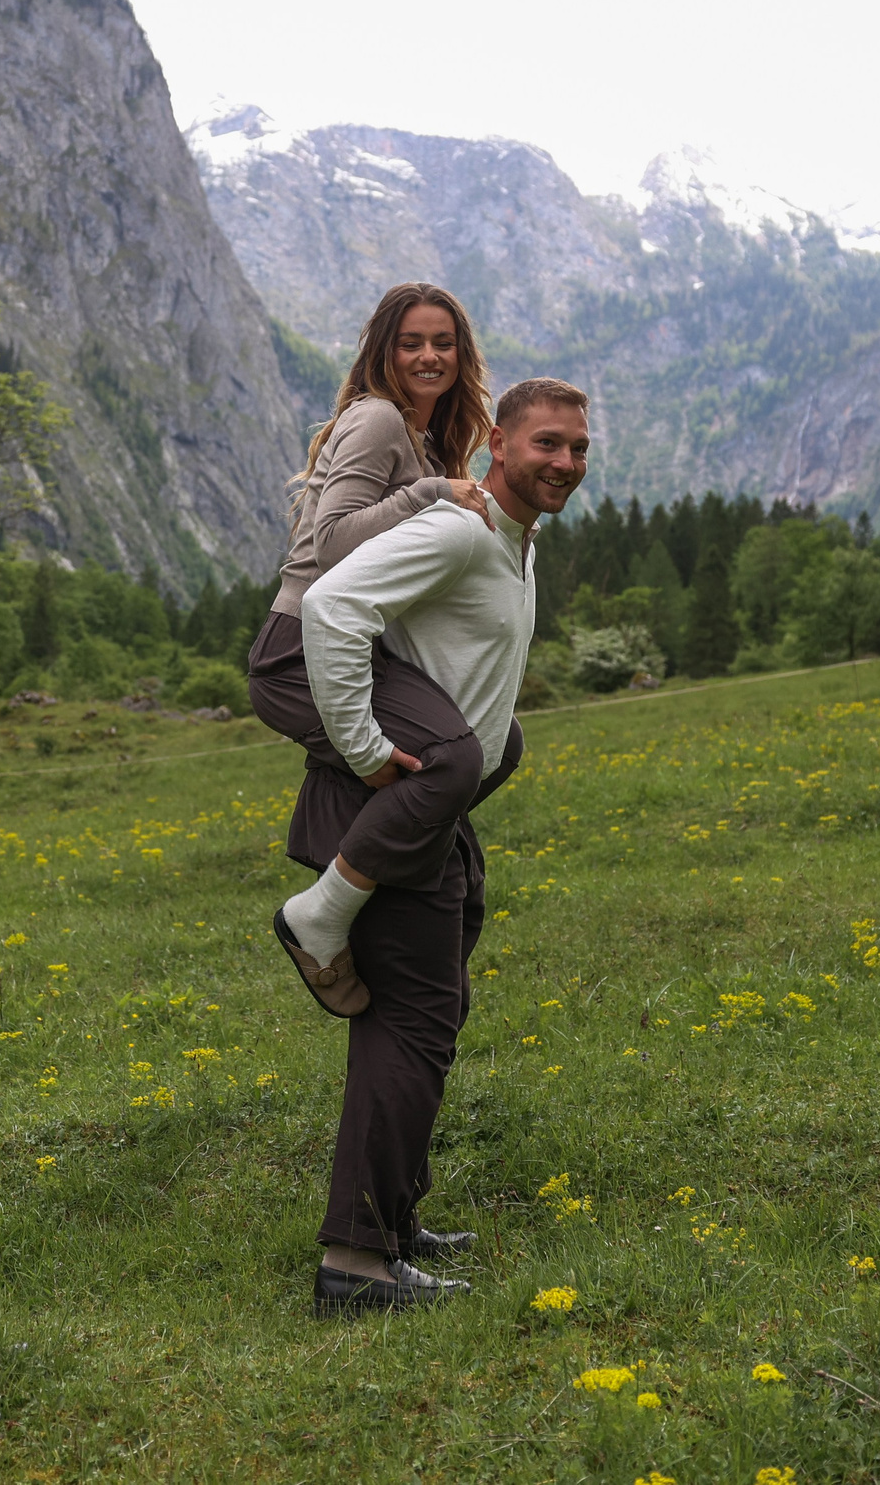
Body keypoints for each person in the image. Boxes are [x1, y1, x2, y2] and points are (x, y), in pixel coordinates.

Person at [293, 378, 593, 1315]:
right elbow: (331, 607)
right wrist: (367, 750)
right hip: (393, 810)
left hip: (435, 819)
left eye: (580, 449)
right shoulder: (462, 530)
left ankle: (391, 1223)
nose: (566, 464)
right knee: (411, 1026)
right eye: (547, 443)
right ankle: (356, 1265)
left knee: (431, 1014)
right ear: (497, 442)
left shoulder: (511, 545)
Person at [249, 282, 497, 1017]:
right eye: (411, 342)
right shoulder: (380, 419)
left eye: (442, 343)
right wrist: (434, 496)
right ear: (383, 351)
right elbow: (332, 541)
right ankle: (318, 916)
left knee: (495, 741)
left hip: (356, 649)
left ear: (462, 354)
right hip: (300, 652)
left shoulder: (422, 437)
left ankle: (390, 878)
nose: (429, 355)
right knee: (451, 759)